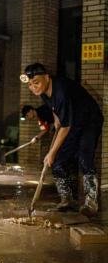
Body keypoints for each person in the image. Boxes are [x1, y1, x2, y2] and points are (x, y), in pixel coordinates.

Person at [20, 62, 103, 216]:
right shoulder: (44, 92)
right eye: (30, 84)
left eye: (36, 83)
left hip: (89, 121)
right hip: (71, 122)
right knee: (57, 162)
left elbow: (66, 127)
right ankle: (67, 200)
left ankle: (91, 203)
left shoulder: (62, 91)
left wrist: (51, 152)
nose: (33, 87)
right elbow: (57, 114)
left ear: (46, 77)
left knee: (84, 158)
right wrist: (57, 119)